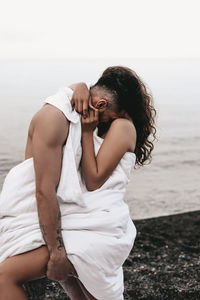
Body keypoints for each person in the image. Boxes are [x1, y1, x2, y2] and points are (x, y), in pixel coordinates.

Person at [0, 66, 157, 300]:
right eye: (110, 116)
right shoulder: (62, 114)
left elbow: (91, 181)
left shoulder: (121, 126)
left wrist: (86, 132)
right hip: (81, 221)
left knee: (5, 277)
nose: (108, 122)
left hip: (95, 226)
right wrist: (78, 87)